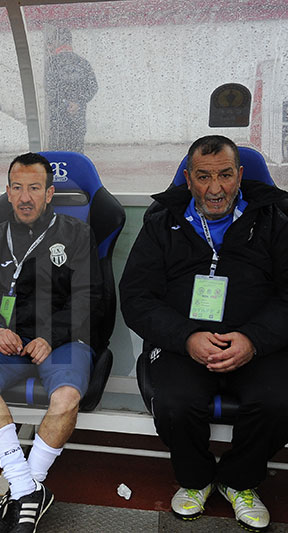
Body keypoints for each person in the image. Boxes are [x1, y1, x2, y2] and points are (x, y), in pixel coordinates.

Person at [120, 135, 288, 531]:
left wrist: (253, 340)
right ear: (188, 178)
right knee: (175, 403)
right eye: (204, 177)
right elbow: (137, 297)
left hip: (256, 343)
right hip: (184, 343)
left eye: (225, 175)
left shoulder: (275, 220)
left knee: (279, 401)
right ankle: (196, 479)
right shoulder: (161, 222)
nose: (216, 189)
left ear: (240, 175)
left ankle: (238, 481)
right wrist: (185, 337)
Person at [0, 153, 101, 533]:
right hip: (10, 340)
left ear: (49, 193)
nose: (25, 197)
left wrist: (50, 336)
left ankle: (24, 486)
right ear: (8, 192)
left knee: (66, 397)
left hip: (63, 338)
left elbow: (90, 298)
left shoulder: (76, 234)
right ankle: (28, 489)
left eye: (35, 188)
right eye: (18, 188)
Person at [44, 27, 97, 153]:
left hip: (58, 122)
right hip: (78, 120)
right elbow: (93, 86)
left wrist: (65, 103)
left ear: (57, 42)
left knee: (58, 157)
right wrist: (78, 102)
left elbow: (50, 88)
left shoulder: (51, 63)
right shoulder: (83, 62)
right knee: (76, 154)